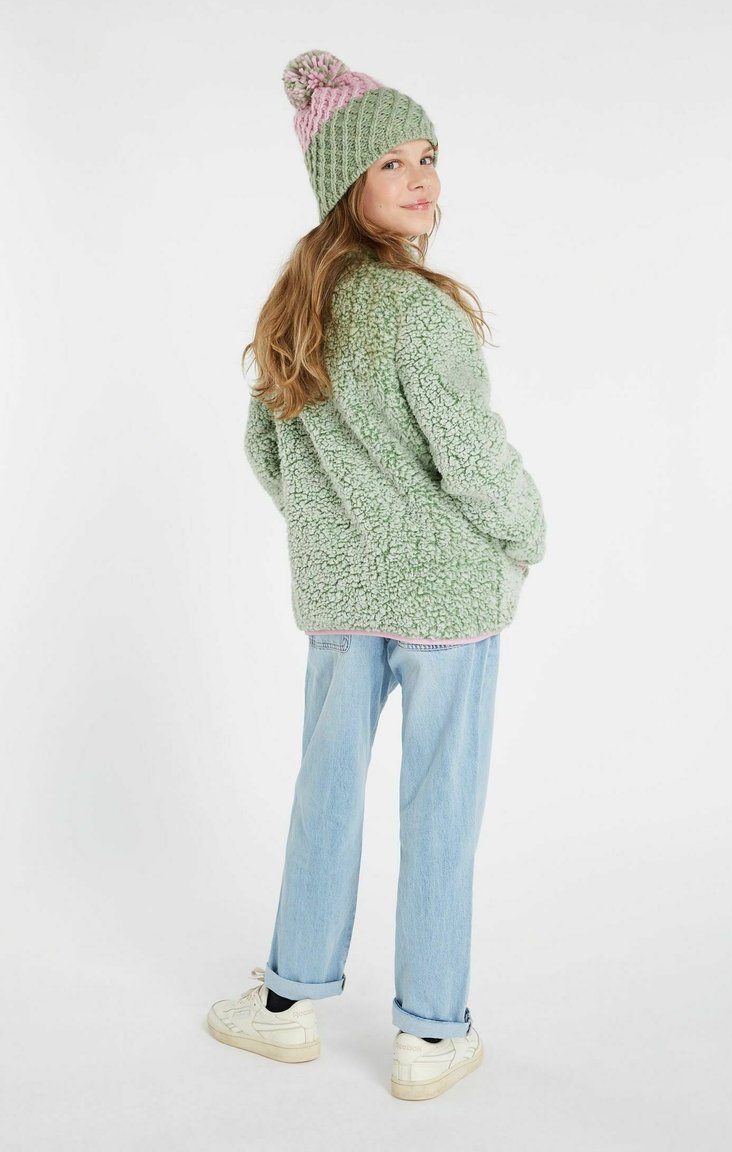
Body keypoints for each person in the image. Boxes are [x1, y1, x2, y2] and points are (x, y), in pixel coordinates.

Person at [206, 48, 547, 1101]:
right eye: (392, 161)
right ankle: (430, 1036)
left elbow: (267, 452)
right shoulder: (418, 312)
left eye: (428, 156)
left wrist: (338, 526)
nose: (421, 178)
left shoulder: (293, 309)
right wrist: (525, 536)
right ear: (344, 181)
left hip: (342, 601)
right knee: (440, 808)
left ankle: (286, 1004)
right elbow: (472, 459)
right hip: (447, 598)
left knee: (326, 791)